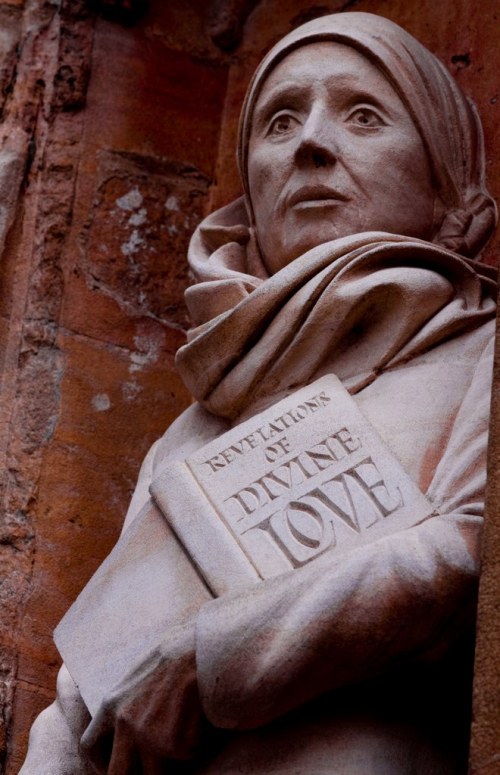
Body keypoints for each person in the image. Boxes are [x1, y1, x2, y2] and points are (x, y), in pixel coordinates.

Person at [21, 11, 497, 775]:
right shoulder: (193, 428)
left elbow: (470, 555)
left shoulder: (483, 352)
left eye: (363, 114)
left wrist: (205, 661)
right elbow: (97, 675)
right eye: (279, 120)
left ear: (443, 176)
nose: (310, 141)